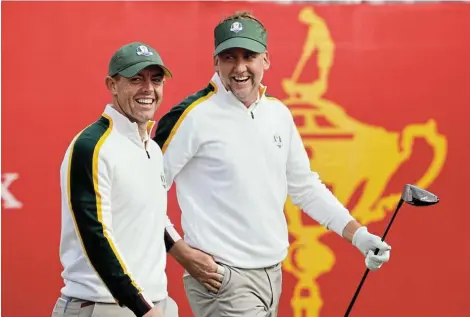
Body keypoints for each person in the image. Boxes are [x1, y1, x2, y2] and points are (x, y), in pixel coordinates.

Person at [153, 11, 391, 317]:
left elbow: (305, 188)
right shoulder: (190, 116)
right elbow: (145, 191)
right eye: (229, 57)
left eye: (248, 56)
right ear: (215, 62)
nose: (239, 68)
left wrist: (359, 235)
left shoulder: (278, 114)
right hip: (221, 279)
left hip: (272, 275)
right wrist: (180, 251)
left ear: (266, 60)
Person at [52, 42, 179, 317]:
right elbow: (95, 236)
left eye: (156, 80)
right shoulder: (91, 146)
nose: (148, 89)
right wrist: (143, 307)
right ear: (112, 84)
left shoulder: (152, 149)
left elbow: (153, 219)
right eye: (136, 79)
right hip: (102, 306)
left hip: (156, 304)